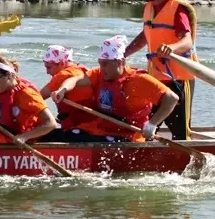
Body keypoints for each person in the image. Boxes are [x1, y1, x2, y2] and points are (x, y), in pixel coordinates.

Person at [49, 35, 179, 143]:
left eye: (105, 64)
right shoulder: (98, 74)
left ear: (119, 62)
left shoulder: (138, 80)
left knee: (77, 139)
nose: (102, 68)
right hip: (102, 130)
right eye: (100, 63)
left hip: (127, 136)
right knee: (61, 135)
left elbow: (171, 98)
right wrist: (62, 89)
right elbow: (75, 80)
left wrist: (152, 124)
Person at [123, 0, 196, 139]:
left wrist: (170, 49)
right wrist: (123, 54)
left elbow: (187, 42)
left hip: (179, 80)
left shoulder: (178, 9)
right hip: (155, 78)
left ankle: (186, 161)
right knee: (144, 125)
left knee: (180, 134)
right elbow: (145, 35)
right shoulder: (149, 7)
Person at [38, 45, 96, 135]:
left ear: (61, 63)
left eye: (49, 67)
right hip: (93, 125)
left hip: (81, 129)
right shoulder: (81, 69)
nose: (47, 72)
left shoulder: (63, 75)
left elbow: (36, 98)